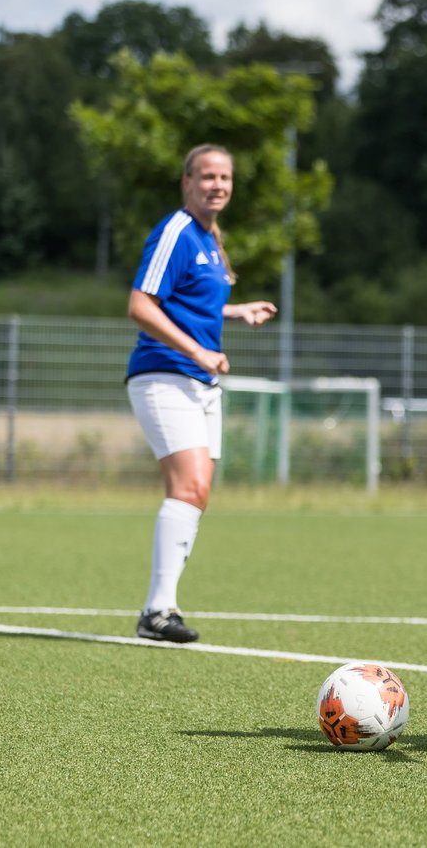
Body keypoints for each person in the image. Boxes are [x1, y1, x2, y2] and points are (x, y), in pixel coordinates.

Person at [125, 144, 277, 643]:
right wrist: (199, 352)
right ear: (186, 183)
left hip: (199, 381)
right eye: (207, 176)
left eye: (225, 178)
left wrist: (237, 311)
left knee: (196, 492)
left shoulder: (211, 238)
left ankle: (158, 610)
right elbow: (141, 305)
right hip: (164, 374)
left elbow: (190, 303)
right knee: (189, 486)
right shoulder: (175, 231)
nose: (217, 185)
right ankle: (157, 611)